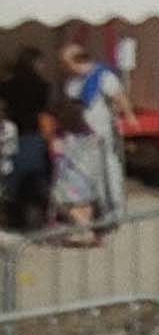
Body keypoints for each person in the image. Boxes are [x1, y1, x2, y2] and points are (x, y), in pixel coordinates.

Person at [60, 45, 133, 221]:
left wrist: (129, 117)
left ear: (75, 60)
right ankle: (92, 212)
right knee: (83, 176)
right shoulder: (73, 82)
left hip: (100, 136)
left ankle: (113, 212)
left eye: (65, 62)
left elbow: (119, 97)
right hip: (78, 136)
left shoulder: (103, 77)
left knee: (107, 173)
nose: (63, 67)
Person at [2, 47, 52, 226]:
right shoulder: (43, 85)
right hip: (33, 133)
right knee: (35, 176)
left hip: (13, 133)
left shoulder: (8, 84)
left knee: (13, 176)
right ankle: (35, 216)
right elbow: (44, 111)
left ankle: (14, 216)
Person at [48, 100, 109, 246]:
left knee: (62, 202)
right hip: (90, 178)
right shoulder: (91, 135)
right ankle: (84, 232)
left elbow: (56, 157)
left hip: (71, 179)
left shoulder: (62, 137)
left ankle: (87, 231)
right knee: (85, 205)